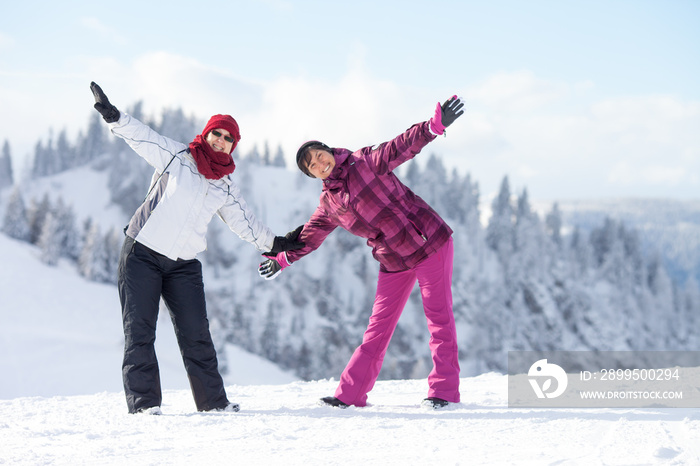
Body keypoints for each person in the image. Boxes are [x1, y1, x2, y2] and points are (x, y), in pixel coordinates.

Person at [89, 82, 304, 414]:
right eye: (216, 133)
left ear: (233, 146)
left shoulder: (224, 186)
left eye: (228, 138)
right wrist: (116, 117)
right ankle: (145, 406)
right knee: (140, 332)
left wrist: (276, 244)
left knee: (197, 337)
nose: (221, 140)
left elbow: (245, 223)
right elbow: (144, 138)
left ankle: (214, 405)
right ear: (206, 134)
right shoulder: (178, 156)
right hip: (143, 253)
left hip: (184, 265)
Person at [259, 95, 465, 409]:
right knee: (377, 329)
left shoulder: (364, 161)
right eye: (312, 165)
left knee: (438, 319)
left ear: (327, 150)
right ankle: (351, 395)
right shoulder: (330, 203)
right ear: (312, 174)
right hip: (393, 259)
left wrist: (433, 127)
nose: (319, 163)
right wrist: (281, 259)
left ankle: (444, 393)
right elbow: (309, 236)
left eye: (318, 155)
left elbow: (400, 145)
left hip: (426, 242)